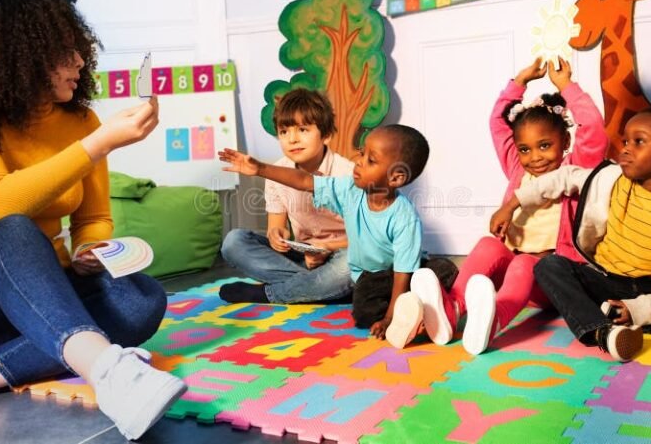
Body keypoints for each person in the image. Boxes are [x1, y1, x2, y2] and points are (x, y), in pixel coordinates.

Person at [0, 0, 186, 440]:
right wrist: (99, 145)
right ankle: (111, 372)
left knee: (141, 299)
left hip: (40, 297)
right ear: (19, 58)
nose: (81, 61)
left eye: (79, 47)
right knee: (15, 231)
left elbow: (92, 218)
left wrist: (88, 249)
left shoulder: (81, 123)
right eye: (65, 51)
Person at [387, 57, 608, 352]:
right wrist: (519, 82)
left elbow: (593, 127)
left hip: (551, 278)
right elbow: (497, 123)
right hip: (517, 270)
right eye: (525, 149)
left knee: (521, 263)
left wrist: (566, 86)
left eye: (545, 145)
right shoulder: (519, 170)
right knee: (488, 246)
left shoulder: (576, 169)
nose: (535, 157)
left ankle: (493, 321)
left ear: (565, 140)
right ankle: (453, 309)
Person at [494, 105, 651, 362]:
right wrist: (512, 204)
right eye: (626, 141)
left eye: (639, 142)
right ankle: (602, 331)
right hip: (606, 280)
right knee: (550, 266)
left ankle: (638, 319)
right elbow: (564, 177)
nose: (625, 148)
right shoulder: (610, 177)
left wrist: (640, 308)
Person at [219, 124, 431, 341]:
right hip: (325, 265)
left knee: (353, 283)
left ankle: (272, 293)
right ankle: (319, 290)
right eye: (362, 153)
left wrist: (389, 319)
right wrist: (260, 169)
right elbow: (304, 181)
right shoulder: (351, 188)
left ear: (395, 178)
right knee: (235, 241)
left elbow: (401, 275)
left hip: (370, 276)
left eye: (371, 160)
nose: (358, 161)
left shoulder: (405, 219)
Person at [219, 89, 355, 304]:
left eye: (303, 129)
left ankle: (270, 293)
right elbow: (277, 227)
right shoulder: (276, 172)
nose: (292, 139)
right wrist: (276, 235)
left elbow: (368, 238)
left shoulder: (348, 173)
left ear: (326, 134)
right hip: (304, 258)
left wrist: (327, 248)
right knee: (233, 242)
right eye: (284, 132)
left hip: (342, 253)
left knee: (350, 265)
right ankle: (324, 289)